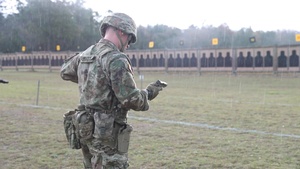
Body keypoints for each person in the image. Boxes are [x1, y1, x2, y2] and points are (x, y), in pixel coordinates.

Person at [60, 12, 167, 169]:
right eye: (129, 38)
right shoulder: (116, 59)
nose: (128, 44)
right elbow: (132, 100)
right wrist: (149, 93)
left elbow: (65, 71)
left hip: (85, 127)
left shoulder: (86, 54)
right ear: (121, 31)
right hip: (107, 135)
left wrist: (92, 79)